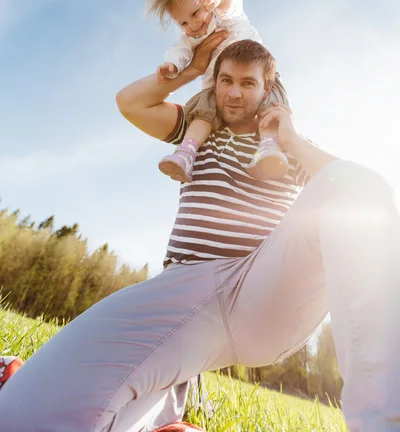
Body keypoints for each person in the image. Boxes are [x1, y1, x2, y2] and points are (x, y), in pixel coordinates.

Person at [0, 37, 399, 432]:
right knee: (21, 415)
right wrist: (192, 70)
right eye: (225, 80)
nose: (234, 93)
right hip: (183, 291)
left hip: (262, 288)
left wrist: (291, 140)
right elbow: (130, 103)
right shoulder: (198, 132)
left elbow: (359, 193)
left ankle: (384, 420)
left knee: (352, 184)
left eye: (247, 83)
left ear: (268, 89)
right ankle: (160, 401)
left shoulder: (282, 146)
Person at [148, 0, 289, 182]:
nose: (193, 25)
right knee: (202, 113)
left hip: (259, 80)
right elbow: (179, 52)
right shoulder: (190, 40)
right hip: (217, 90)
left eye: (195, 13)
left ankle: (269, 146)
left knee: (270, 109)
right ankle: (186, 152)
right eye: (183, 22)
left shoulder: (224, 15)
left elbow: (232, 0)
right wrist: (172, 66)